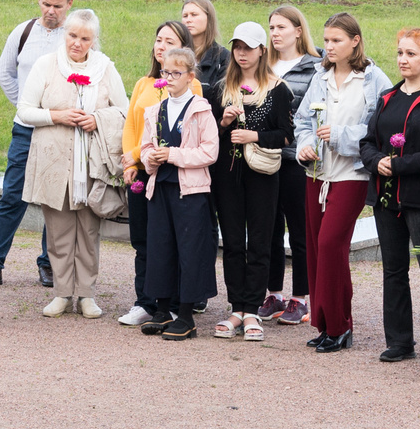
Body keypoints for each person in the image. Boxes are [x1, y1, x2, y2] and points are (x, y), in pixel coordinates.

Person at [18, 8, 129, 319]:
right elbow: (25, 110)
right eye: (72, 35)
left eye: (85, 38)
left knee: (89, 231)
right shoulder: (46, 64)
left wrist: (97, 119)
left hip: (93, 165)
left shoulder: (105, 69)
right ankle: (63, 293)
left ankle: (87, 294)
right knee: (58, 230)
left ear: (93, 41)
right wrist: (57, 116)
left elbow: (125, 111)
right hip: (54, 161)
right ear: (64, 34)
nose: (77, 43)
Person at [292, 13, 389, 353]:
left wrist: (341, 136)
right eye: (327, 40)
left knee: (333, 245)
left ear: (355, 41)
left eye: (336, 40)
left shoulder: (374, 79)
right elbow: (302, 120)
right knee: (317, 248)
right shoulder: (320, 76)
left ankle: (340, 325)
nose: (329, 47)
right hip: (317, 173)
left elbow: (383, 127)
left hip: (352, 173)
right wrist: (305, 144)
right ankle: (323, 324)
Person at [0, 0, 72, 289]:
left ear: (69, 4)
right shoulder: (23, 31)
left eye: (57, 5)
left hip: (60, 132)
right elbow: (4, 72)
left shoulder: (75, 35)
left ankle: (49, 264)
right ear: (38, 0)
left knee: (54, 199)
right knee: (12, 196)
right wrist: (27, 107)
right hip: (26, 129)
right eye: (45, 3)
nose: (50, 10)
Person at [365, 28, 420, 362]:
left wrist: (400, 165)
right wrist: (377, 162)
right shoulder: (388, 96)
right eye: (400, 53)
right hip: (386, 198)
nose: (403, 60)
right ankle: (400, 341)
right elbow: (368, 141)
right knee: (393, 270)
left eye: (411, 54)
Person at [213, 22, 296, 339]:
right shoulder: (222, 87)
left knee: (260, 242)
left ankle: (252, 311)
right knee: (233, 243)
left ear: (263, 50)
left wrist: (255, 135)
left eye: (248, 47)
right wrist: (224, 121)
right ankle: (236, 308)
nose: (241, 53)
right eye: (237, 47)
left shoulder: (277, 89)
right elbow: (211, 136)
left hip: (262, 174)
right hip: (228, 173)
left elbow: (286, 135)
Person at [137, 46, 220, 342]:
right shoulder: (156, 109)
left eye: (176, 73)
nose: (169, 78)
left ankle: (186, 315)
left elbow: (210, 151)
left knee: (189, 250)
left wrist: (172, 155)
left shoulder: (201, 109)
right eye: (165, 72)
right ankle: (162, 310)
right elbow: (145, 148)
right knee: (161, 247)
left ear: (189, 76)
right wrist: (151, 159)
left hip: (190, 191)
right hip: (160, 187)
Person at [116, 21, 191, 329]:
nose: (161, 46)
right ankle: (144, 301)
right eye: (158, 39)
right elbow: (131, 127)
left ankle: (171, 303)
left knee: (168, 241)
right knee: (142, 240)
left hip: (170, 175)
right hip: (141, 170)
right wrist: (130, 162)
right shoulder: (143, 84)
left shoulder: (191, 86)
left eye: (169, 41)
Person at [261, 5, 320, 327]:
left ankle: (301, 297)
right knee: (270, 228)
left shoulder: (315, 66)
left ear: (298, 30)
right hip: (265, 157)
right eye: (272, 28)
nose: (275, 33)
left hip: (298, 158)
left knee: (300, 229)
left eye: (282, 27)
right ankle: (273, 294)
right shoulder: (263, 65)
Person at [179, 0, 231, 90]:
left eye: (194, 14)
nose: (188, 20)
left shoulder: (223, 58)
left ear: (209, 18)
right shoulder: (175, 54)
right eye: (185, 16)